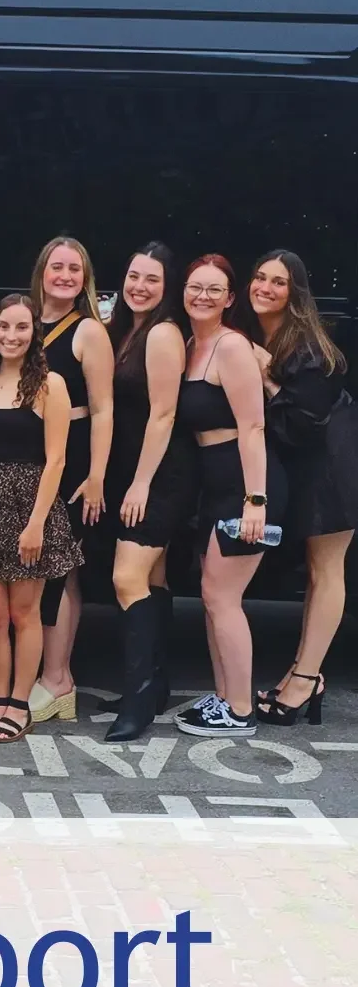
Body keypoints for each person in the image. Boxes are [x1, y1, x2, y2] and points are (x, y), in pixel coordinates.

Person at [0, 294, 80, 745]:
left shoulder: (51, 385)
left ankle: (21, 704)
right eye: (4, 326)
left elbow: (57, 460)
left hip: (30, 507)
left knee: (25, 613)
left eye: (22, 327)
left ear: (34, 333)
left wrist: (37, 524)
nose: (11, 336)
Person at [246, 249, 358, 727]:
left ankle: (306, 678)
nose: (265, 288)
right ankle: (302, 675)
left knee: (328, 570)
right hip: (319, 464)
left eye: (279, 282)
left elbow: (302, 422)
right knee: (316, 573)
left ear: (296, 294)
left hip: (335, 465)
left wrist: (265, 374)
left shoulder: (308, 346)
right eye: (260, 277)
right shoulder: (268, 335)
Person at [174, 254, 283, 737]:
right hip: (213, 479)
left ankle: (240, 710)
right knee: (210, 594)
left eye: (214, 290)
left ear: (230, 299)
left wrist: (255, 500)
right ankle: (223, 696)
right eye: (196, 287)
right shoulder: (193, 345)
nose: (202, 296)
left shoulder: (232, 347)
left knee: (224, 597)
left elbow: (253, 425)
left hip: (243, 482)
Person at [102, 243, 194, 742]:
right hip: (133, 470)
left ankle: (136, 704)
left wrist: (140, 482)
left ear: (167, 288)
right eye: (134, 276)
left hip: (159, 474)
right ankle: (155, 687)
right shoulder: (128, 328)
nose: (139, 286)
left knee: (126, 579)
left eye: (152, 280)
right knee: (153, 578)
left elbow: (164, 413)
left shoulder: (161, 332)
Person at [27, 236, 114, 724]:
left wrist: (97, 475)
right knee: (32, 569)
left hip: (73, 457)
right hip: (25, 455)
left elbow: (103, 409)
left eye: (74, 269)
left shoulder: (87, 332)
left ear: (85, 280)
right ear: (42, 270)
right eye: (57, 266)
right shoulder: (21, 320)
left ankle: (58, 679)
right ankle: (41, 674)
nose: (64, 276)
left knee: (59, 571)